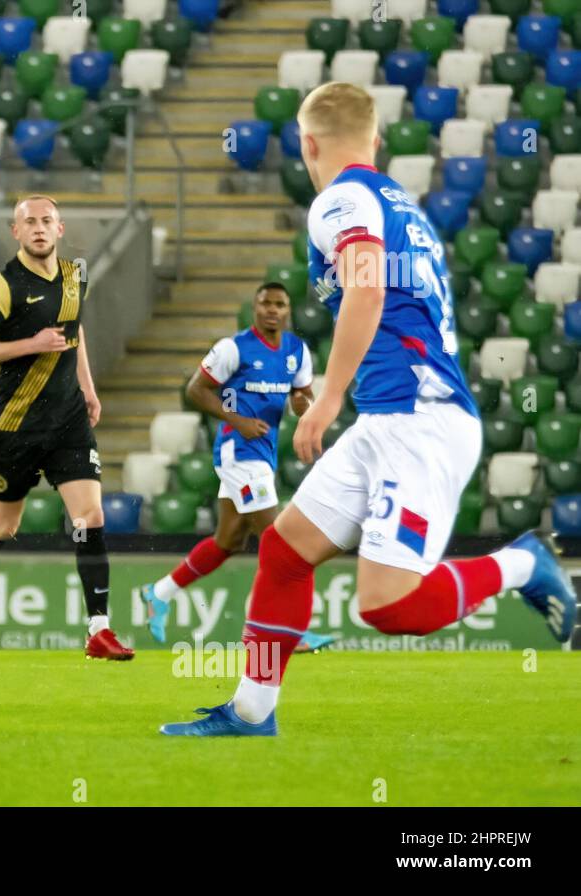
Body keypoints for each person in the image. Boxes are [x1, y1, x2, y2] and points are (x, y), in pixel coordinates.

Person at [161, 82, 577, 737]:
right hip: (390, 419)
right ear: (376, 140)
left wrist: (324, 400)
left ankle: (522, 564)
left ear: (307, 144)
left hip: (421, 422)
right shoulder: (396, 203)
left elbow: (367, 289)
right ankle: (250, 712)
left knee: (386, 605)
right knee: (284, 552)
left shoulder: (341, 200)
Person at [0, 195, 134, 659]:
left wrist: (88, 388)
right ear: (16, 231)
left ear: (61, 229)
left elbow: (75, 332)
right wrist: (31, 344)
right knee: (4, 526)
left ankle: (98, 629)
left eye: (47, 221)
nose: (40, 228)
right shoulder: (1, 286)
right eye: (30, 222)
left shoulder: (75, 275)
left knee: (90, 519)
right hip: (15, 424)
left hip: (67, 422)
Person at [138, 282, 313, 642]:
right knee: (279, 541)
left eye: (280, 304)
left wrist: (301, 405)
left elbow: (302, 393)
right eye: (266, 303)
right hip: (238, 452)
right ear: (255, 307)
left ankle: (160, 593)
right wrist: (237, 420)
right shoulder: (233, 348)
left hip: (263, 455)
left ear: (287, 311)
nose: (272, 310)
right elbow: (195, 389)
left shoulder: (297, 351)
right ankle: (281, 628)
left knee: (228, 540)